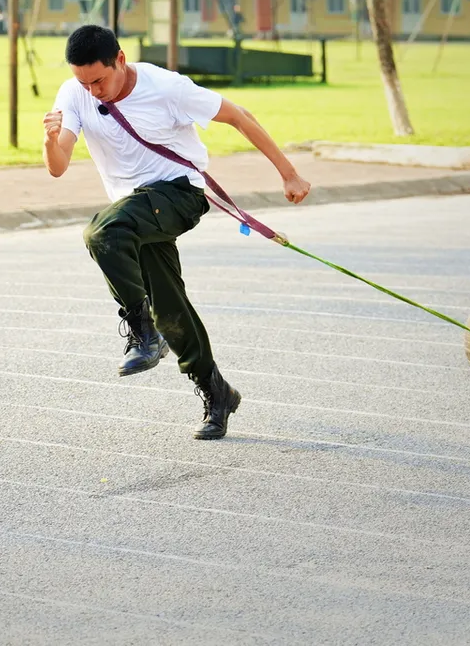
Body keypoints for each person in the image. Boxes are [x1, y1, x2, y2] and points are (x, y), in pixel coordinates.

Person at [42, 25, 311, 440]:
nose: (93, 90)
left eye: (99, 80)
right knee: (169, 302)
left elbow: (239, 116)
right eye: (84, 82)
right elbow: (58, 165)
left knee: (102, 234)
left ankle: (141, 330)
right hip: (134, 208)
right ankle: (216, 391)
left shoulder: (166, 87)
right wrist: (48, 141)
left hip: (179, 193)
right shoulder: (75, 93)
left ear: (120, 60)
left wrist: (289, 174)